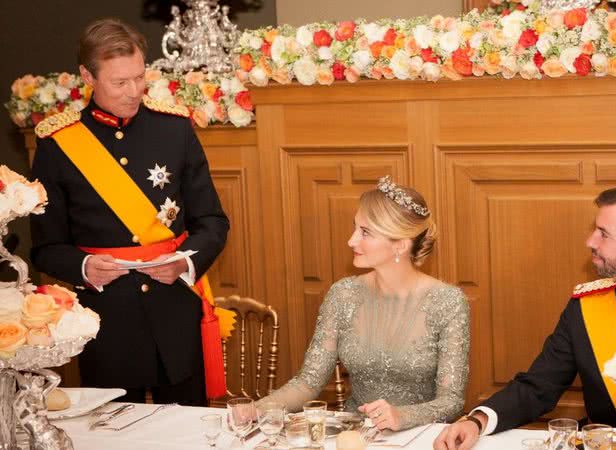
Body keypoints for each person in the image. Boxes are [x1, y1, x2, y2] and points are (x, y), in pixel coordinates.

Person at [434, 185, 616, 450]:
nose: (590, 241)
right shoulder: (586, 306)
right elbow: (539, 386)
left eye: (604, 233)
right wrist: (477, 421)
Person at [30, 18, 229, 406]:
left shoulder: (174, 129)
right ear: (87, 75)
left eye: (140, 77)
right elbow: (46, 247)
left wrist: (185, 263)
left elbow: (212, 222)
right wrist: (85, 267)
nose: (134, 91)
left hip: (176, 316)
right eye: (119, 83)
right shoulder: (57, 145)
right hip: (107, 325)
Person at [256, 176, 469, 431]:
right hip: (355, 436)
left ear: (400, 245)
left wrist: (402, 416)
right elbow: (309, 383)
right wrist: (258, 409)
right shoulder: (343, 294)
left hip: (420, 436)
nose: (351, 240)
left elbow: (451, 401)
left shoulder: (447, 302)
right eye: (355, 228)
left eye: (365, 232)